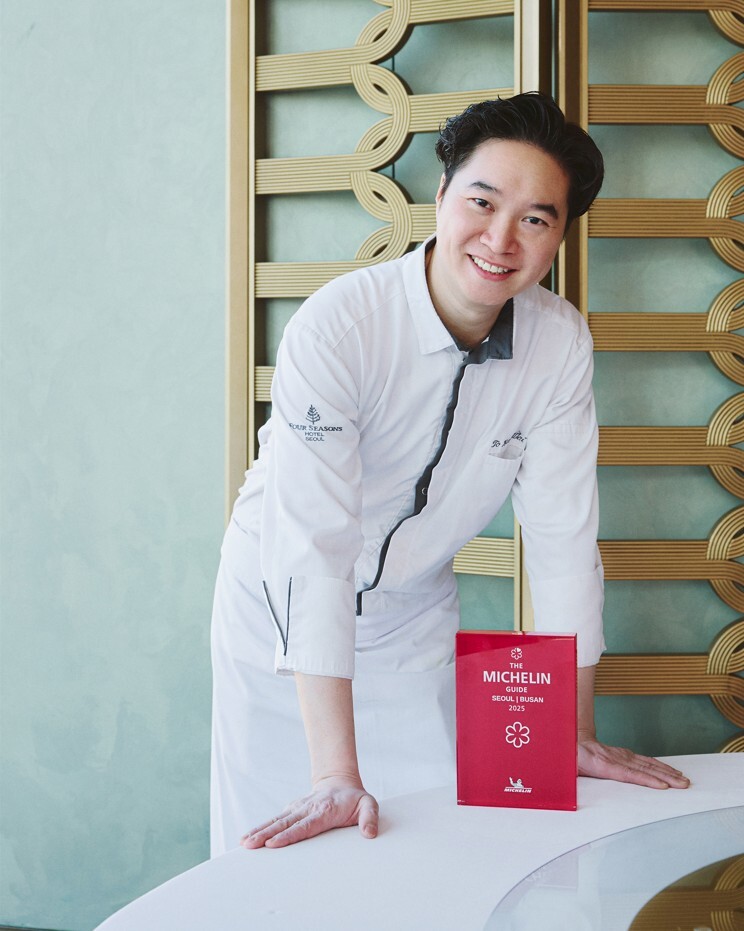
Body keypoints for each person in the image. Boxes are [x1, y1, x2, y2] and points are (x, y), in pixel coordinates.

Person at [210, 92, 689, 857]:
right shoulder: (340, 328)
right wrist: (335, 773)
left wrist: (570, 728)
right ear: (440, 195)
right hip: (278, 615)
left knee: (420, 847)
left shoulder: (559, 344)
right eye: (483, 202)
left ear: (560, 236)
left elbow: (563, 541)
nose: (501, 239)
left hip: (412, 620)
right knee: (280, 855)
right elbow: (312, 546)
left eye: (536, 219)